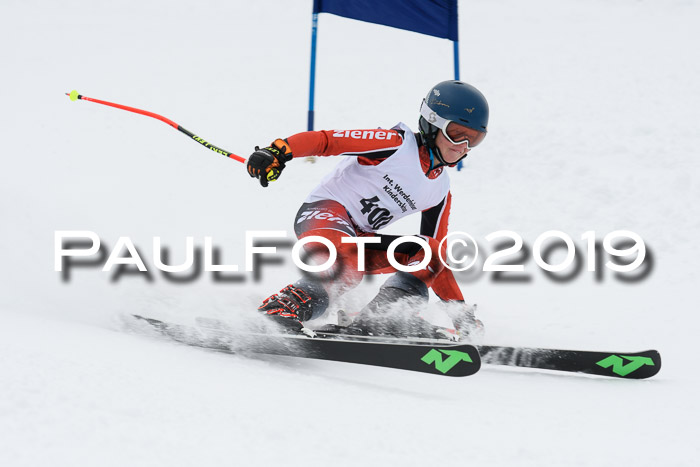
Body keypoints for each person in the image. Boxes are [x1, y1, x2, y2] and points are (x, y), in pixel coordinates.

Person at [246, 80, 488, 340]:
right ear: (432, 122)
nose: (462, 146)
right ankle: (280, 308)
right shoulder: (395, 144)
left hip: (358, 236)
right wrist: (279, 151)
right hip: (324, 213)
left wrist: (459, 312)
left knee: (430, 249)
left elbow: (436, 260)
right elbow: (327, 141)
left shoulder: (440, 190)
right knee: (348, 265)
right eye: (456, 133)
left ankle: (384, 316)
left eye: (473, 139)